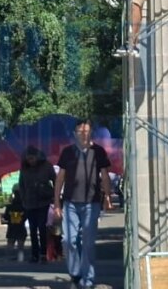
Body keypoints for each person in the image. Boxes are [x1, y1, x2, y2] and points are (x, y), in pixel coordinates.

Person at [54, 118, 113, 289]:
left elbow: (105, 175)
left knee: (88, 242)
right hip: (70, 203)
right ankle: (75, 272)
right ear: (75, 134)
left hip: (91, 203)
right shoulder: (67, 152)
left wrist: (108, 196)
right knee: (68, 240)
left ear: (91, 133)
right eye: (80, 131)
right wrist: (56, 203)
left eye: (87, 131)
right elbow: (59, 179)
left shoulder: (99, 151)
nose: (84, 134)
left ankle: (88, 279)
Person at [18, 145, 56, 263]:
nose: (31, 161)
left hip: (43, 201)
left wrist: (54, 195)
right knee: (33, 229)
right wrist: (23, 199)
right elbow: (21, 185)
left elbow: (55, 179)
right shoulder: (24, 169)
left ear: (37, 157)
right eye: (29, 159)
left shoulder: (46, 166)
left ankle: (43, 254)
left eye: (32, 158)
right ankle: (34, 254)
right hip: (29, 202)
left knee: (42, 227)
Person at [3, 186, 27, 261]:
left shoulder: (9, 206)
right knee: (20, 246)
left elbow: (6, 217)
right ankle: (21, 259)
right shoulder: (24, 206)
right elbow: (26, 217)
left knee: (10, 244)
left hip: (11, 227)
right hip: (21, 227)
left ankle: (9, 258)